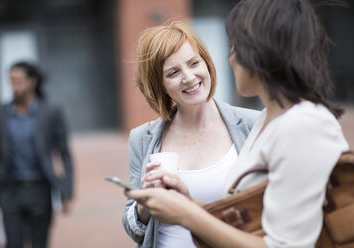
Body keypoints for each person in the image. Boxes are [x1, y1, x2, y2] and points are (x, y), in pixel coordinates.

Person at [126, 0, 350, 247]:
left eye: (234, 48)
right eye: (173, 73)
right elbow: (251, 217)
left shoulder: (303, 125)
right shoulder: (267, 120)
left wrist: (186, 214)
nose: (230, 59)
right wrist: (185, 203)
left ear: (260, 54)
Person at [122, 21, 259, 248]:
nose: (188, 77)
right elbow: (134, 230)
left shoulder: (252, 124)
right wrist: (143, 206)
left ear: (206, 63)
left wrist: (191, 206)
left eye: (194, 63)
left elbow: (265, 212)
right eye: (173, 72)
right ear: (160, 85)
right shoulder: (142, 138)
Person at [0, 61, 74, 248]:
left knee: (39, 243)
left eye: (19, 81)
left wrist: (66, 191)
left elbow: (64, 153)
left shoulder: (50, 112)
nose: (14, 86)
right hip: (10, 191)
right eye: (11, 81)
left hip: (40, 190)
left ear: (32, 82)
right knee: (13, 243)